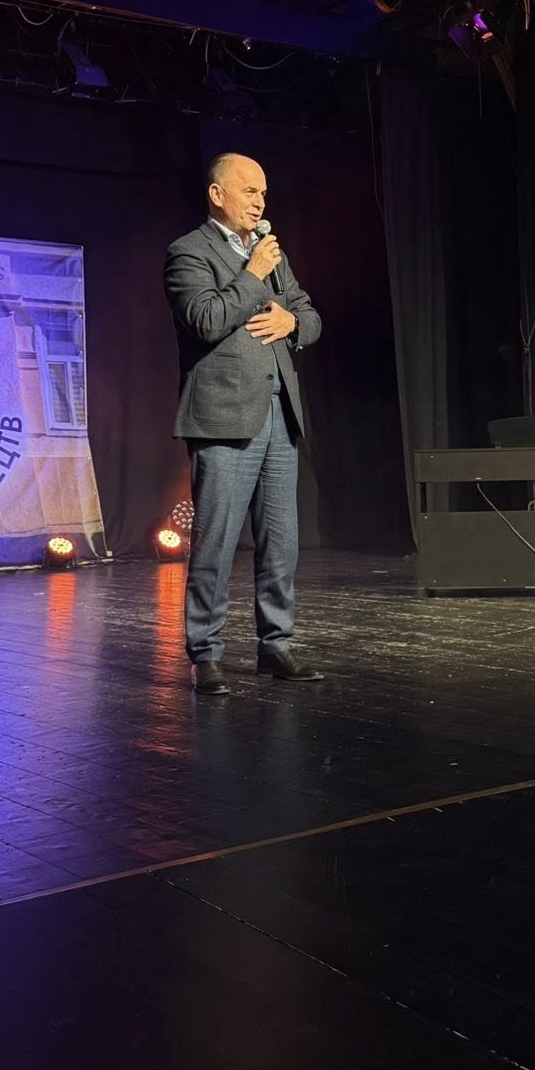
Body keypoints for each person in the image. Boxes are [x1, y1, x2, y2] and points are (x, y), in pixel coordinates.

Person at [164, 153, 324, 694]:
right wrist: (253, 274)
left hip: (279, 414)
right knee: (216, 543)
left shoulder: (272, 253)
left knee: (281, 543)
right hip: (222, 418)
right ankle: (206, 653)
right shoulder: (188, 252)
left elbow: (311, 316)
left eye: (264, 193)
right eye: (250, 191)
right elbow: (206, 320)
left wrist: (293, 321)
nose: (260, 202)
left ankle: (275, 646)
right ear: (217, 195)